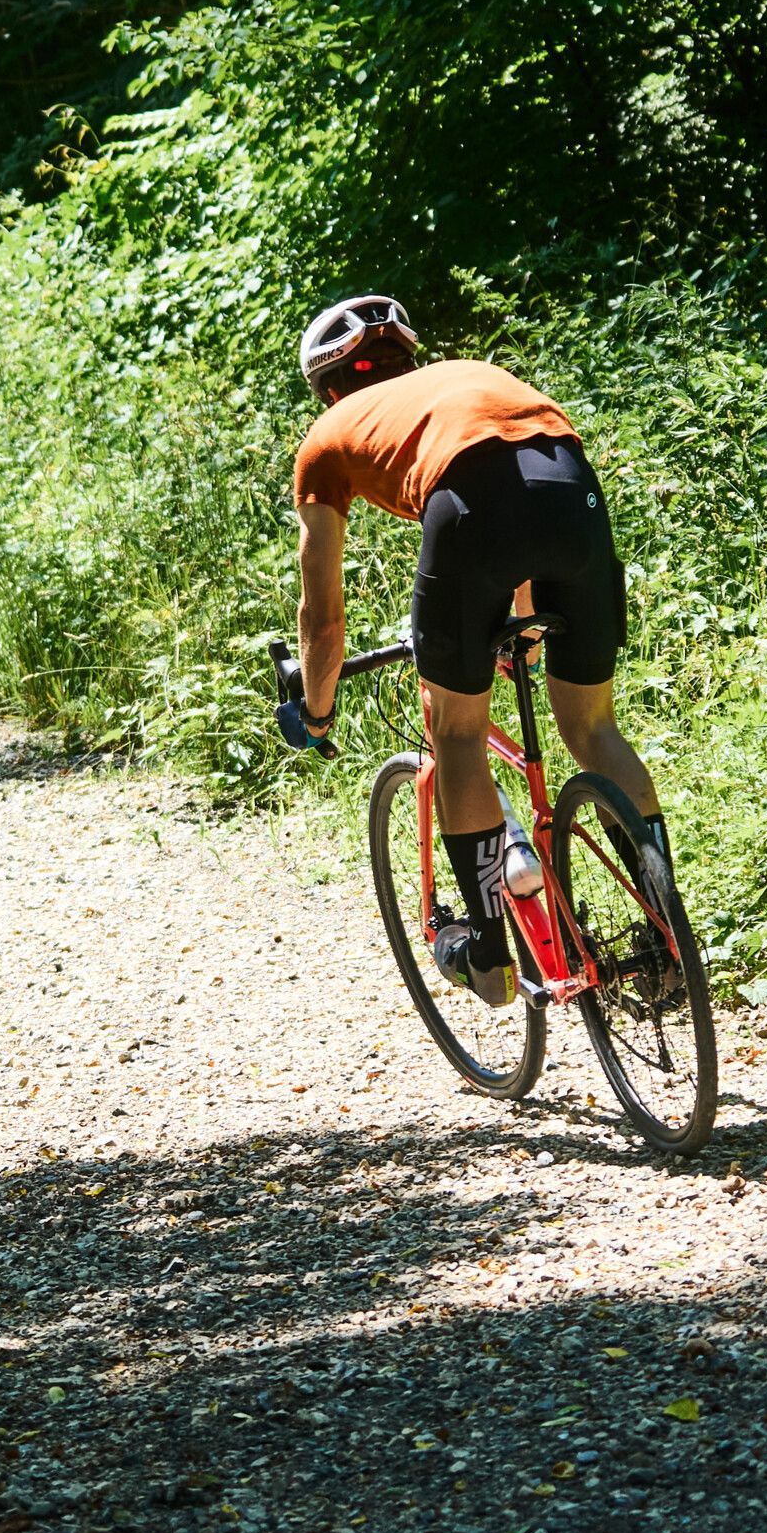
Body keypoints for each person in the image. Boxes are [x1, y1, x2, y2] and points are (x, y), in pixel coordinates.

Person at [277, 294, 669, 1005]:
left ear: (329, 388)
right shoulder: (467, 378)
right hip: (572, 490)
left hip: (472, 513)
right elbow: (522, 487)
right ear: (409, 361)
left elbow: (323, 618)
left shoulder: (327, 436)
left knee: (457, 735)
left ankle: (490, 960)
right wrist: (522, 621)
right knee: (592, 728)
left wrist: (316, 708)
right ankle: (668, 937)